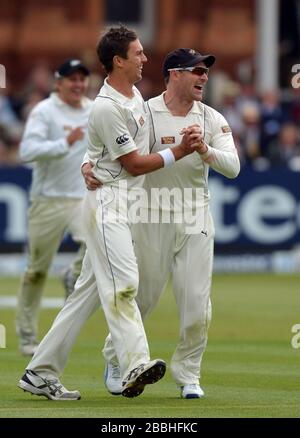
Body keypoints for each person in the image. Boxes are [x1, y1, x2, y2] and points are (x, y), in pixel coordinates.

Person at [18, 27, 203, 401]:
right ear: (118, 61)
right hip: (108, 204)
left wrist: (88, 161)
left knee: (84, 296)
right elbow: (134, 163)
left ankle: (39, 372)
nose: (144, 59)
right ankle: (134, 361)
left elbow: (101, 146)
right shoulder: (106, 105)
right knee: (125, 284)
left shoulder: (133, 95)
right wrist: (180, 152)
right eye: (137, 54)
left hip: (127, 202)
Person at [92, 48, 240, 399]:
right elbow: (117, 150)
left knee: (196, 306)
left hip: (195, 216)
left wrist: (204, 150)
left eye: (206, 72)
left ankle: (189, 375)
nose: (204, 77)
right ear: (175, 73)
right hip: (151, 214)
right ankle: (117, 359)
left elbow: (232, 167)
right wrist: (89, 164)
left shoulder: (212, 118)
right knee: (141, 300)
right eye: (198, 71)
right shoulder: (145, 113)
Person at [16, 59, 92, 356]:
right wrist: (64, 142)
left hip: (81, 198)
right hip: (47, 199)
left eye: (82, 79)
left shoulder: (93, 110)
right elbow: (27, 152)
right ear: (58, 83)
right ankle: (26, 336)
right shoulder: (44, 111)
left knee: (94, 245)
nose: (78, 85)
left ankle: (72, 273)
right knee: (35, 271)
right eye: (71, 79)